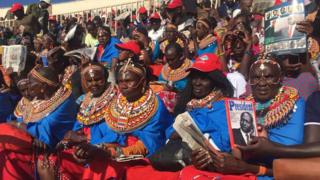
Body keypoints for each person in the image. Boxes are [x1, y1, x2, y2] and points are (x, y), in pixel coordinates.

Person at [67, 60, 173, 179]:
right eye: (120, 81)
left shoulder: (155, 105)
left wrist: (114, 152)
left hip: (140, 157)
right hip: (114, 150)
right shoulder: (118, 102)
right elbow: (114, 135)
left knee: (107, 167)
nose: (123, 86)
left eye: (128, 81)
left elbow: (149, 144)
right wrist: (100, 148)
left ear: (142, 82)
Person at [0, 66, 77, 179]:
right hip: (30, 144)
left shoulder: (64, 102)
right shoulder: (35, 98)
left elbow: (46, 131)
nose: (28, 86)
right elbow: (16, 121)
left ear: (43, 87)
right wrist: (18, 125)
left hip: (49, 150)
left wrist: (18, 125)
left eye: (31, 83)